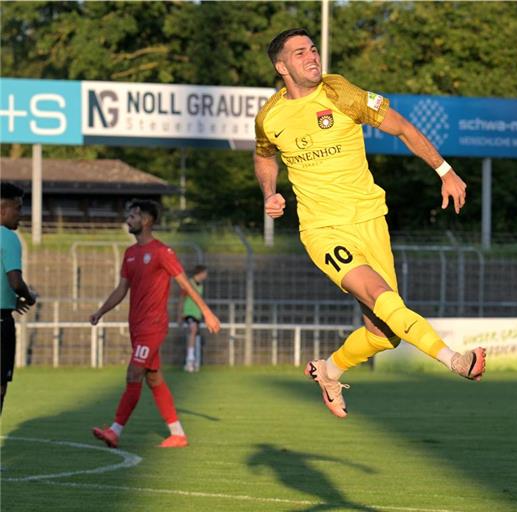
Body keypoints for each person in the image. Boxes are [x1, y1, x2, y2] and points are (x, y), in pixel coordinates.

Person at [253, 28, 486, 419]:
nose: (311, 56)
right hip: (323, 230)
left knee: (384, 334)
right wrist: (269, 193)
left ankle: (329, 370)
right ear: (281, 67)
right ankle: (455, 361)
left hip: (370, 220)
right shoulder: (270, 117)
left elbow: (403, 128)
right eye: (299, 53)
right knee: (381, 294)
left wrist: (445, 170)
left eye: (313, 49)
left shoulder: (341, 93)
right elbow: (263, 155)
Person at [89, 200, 221, 448]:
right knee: (154, 378)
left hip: (153, 325)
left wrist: (207, 312)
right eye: (128, 215)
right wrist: (100, 311)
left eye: (134, 215)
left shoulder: (162, 252)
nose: (128, 219)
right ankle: (177, 434)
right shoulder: (129, 254)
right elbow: (121, 289)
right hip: (136, 327)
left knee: (134, 372)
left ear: (147, 221)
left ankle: (115, 430)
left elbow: (185, 283)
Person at [1, 183, 37, 414]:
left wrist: (7, 300)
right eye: (18, 208)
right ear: (2, 208)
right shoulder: (8, 237)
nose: (21, 215)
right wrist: (28, 296)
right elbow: (15, 281)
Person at [178, 264, 208, 372]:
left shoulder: (200, 285)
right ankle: (190, 360)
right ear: (200, 273)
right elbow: (181, 299)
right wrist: (180, 314)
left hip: (197, 314)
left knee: (194, 334)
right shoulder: (188, 283)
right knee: (193, 330)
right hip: (188, 313)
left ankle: (193, 360)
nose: (206, 275)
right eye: (205, 273)